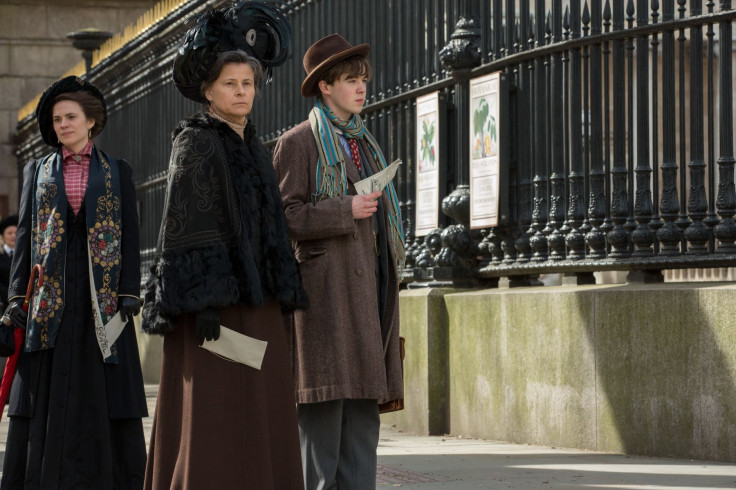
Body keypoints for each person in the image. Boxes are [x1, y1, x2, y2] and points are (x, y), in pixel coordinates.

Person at [141, 2, 307, 489]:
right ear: (208, 91)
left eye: (248, 83)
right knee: (216, 418)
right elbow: (182, 228)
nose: (241, 92)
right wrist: (205, 302)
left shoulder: (253, 143)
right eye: (231, 83)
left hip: (259, 303)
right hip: (212, 312)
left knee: (263, 409)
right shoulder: (195, 142)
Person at [0, 76, 148, 489]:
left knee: (104, 387)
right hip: (50, 298)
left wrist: (129, 291)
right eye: (57, 119)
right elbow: (27, 235)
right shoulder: (38, 170)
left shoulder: (118, 171)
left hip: (102, 300)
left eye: (71, 117)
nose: (63, 124)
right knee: (45, 393)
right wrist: (16, 297)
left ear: (91, 122)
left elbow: (131, 236)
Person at [272, 33, 405, 489]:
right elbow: (285, 217)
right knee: (323, 423)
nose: (362, 88)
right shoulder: (299, 143)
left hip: (368, 295)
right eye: (351, 80)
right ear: (325, 87)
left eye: (363, 79)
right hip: (324, 301)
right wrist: (344, 208)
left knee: (363, 425)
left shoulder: (365, 143)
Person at [0, 215, 18, 309]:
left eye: (16, 232)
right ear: (3, 236)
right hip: (4, 304)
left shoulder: (24, 257)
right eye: (9, 233)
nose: (13, 236)